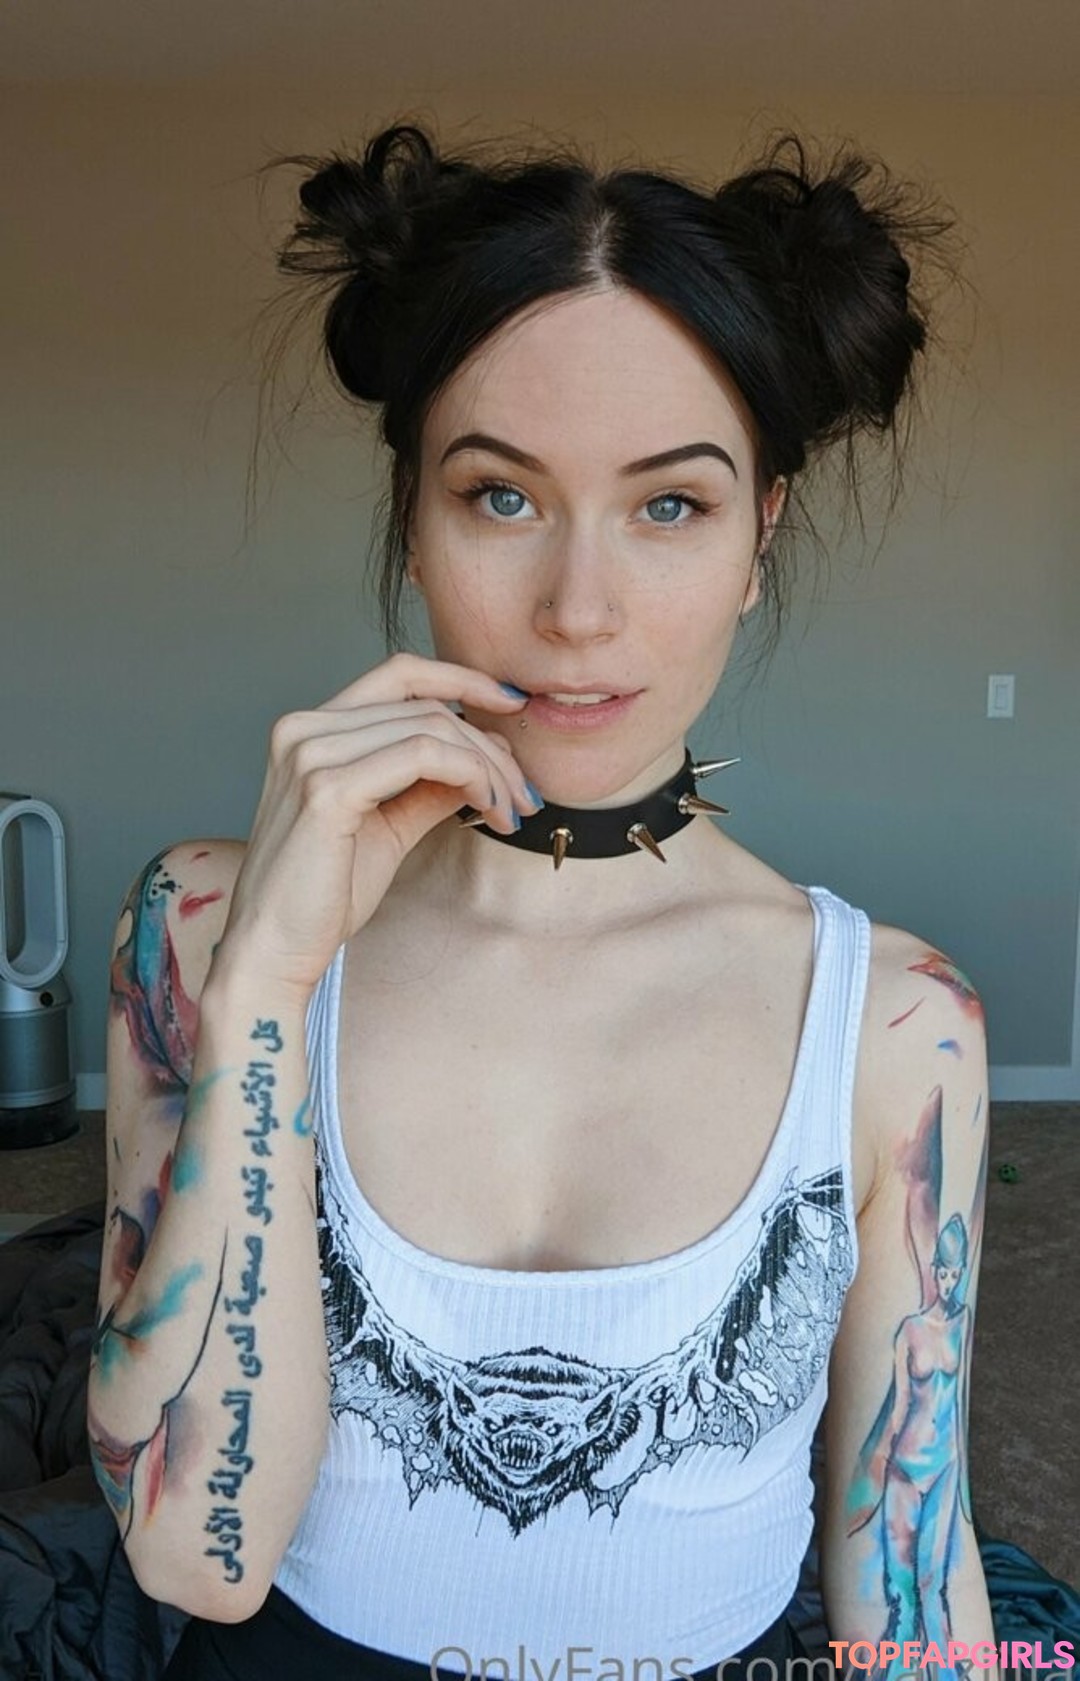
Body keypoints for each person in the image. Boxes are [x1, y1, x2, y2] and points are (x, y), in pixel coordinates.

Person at [87, 123, 997, 1679]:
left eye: (670, 506)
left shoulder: (897, 1027)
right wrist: (266, 992)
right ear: (413, 514)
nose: (579, 611)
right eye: (502, 497)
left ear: (761, 536)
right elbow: (201, 1559)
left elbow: (908, 1575)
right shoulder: (199, 925)